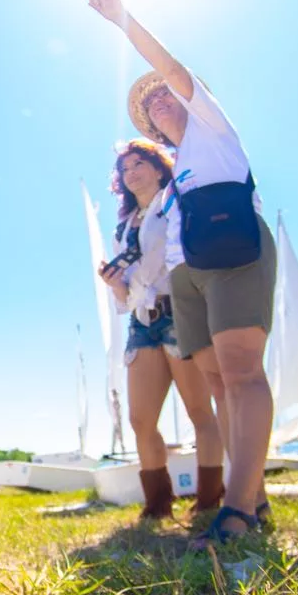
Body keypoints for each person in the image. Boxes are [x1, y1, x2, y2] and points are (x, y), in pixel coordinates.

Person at [78, 0, 276, 545]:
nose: (158, 101)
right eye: (149, 105)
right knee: (216, 383)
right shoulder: (173, 180)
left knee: (240, 375)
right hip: (188, 273)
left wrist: (122, 20)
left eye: (165, 94)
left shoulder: (211, 127)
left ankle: (236, 510)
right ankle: (253, 494)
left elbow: (168, 65)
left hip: (233, 250)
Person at [99, 140, 225, 520]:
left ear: (158, 167)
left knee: (200, 411)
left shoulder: (176, 204)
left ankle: (208, 501)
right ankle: (157, 506)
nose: (131, 172)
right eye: (125, 168)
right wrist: (113, 282)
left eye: (139, 163)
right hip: (142, 323)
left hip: (180, 314)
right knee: (140, 420)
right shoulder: (122, 227)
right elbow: (123, 300)